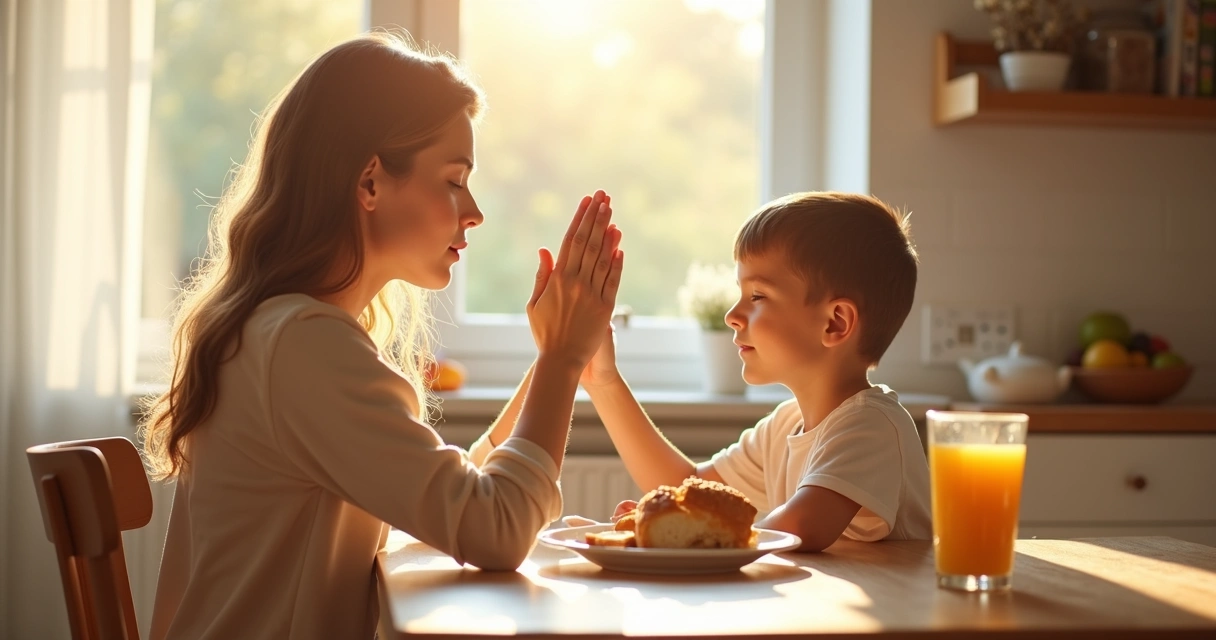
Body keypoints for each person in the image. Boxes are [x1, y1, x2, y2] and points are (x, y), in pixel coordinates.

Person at [140, 32, 624, 639]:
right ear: (369, 182)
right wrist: (560, 358)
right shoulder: (303, 346)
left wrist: (559, 361)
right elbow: (495, 528)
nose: (473, 210)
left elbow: (448, 497)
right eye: (453, 179)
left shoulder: (277, 330)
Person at [581, 191, 931, 551]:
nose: (731, 315)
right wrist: (603, 383)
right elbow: (688, 484)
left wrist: (693, 531)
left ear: (835, 323)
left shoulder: (870, 425)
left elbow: (803, 527)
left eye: (758, 296)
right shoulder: (786, 425)